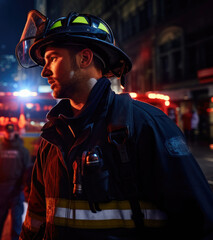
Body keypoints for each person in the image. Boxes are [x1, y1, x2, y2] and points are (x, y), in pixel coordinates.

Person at [15, 10, 213, 240]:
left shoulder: (146, 126)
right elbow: (35, 223)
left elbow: (200, 224)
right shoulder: (52, 138)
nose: (44, 71)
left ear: (85, 58)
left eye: (53, 58)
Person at [0, 123, 31, 240]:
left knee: (16, 221)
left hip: (16, 190)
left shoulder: (22, 150)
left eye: (11, 132)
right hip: (2, 188)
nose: (9, 134)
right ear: (4, 133)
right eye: (7, 132)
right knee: (0, 220)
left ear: (15, 133)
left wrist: (22, 185)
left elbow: (27, 169)